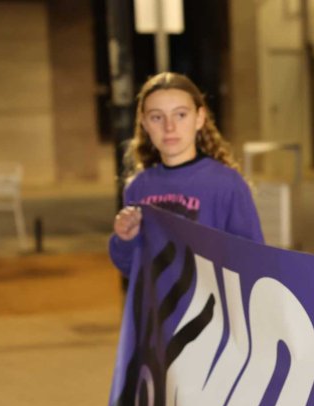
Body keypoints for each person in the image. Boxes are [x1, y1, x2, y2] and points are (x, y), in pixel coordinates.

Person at [109, 72, 264, 277]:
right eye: (157, 117)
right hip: (159, 309)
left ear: (199, 118)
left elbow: (254, 262)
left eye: (180, 115)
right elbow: (132, 269)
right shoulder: (138, 187)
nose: (169, 127)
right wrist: (124, 238)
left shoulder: (226, 184)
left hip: (212, 306)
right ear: (144, 123)